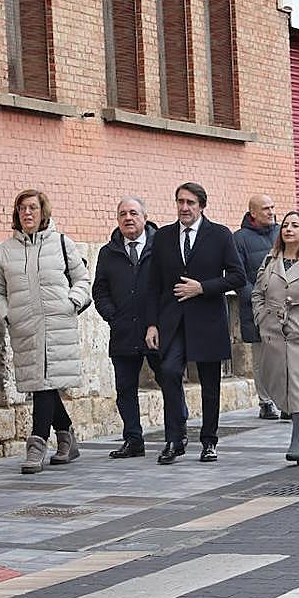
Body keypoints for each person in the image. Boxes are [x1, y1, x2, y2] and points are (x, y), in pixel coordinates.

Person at [0, 189, 91, 473]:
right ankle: (67, 436)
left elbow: (82, 279)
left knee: (44, 385)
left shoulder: (61, 243)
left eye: (32, 208)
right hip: (25, 328)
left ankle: (37, 444)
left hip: (58, 324)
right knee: (42, 384)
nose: (27, 213)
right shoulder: (5, 251)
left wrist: (72, 301)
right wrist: (8, 315)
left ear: (43, 211)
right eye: (22, 209)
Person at [144, 182, 246, 464]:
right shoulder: (163, 237)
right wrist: (152, 324)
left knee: (210, 383)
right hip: (172, 321)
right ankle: (174, 438)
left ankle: (209, 441)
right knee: (168, 372)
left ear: (202, 206)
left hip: (208, 320)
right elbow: (152, 285)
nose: (184, 208)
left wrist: (203, 287)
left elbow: (238, 276)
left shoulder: (220, 235)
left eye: (190, 203)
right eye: (180, 202)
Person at [92, 196, 186, 458]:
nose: (128, 218)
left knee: (169, 380)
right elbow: (99, 291)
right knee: (125, 389)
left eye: (133, 213)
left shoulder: (162, 247)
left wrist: (159, 322)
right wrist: (114, 316)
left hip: (157, 331)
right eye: (122, 214)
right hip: (123, 332)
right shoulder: (108, 252)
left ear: (145, 217)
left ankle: (176, 435)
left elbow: (171, 287)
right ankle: (133, 440)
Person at [251, 211, 299, 465]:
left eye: (295, 225)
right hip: (272, 331)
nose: (289, 229)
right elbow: (258, 292)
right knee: (276, 382)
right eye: (286, 225)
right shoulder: (270, 259)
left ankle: (296, 440)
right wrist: (261, 317)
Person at [234, 194, 282, 420]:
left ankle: (286, 400)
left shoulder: (283, 232)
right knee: (262, 357)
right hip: (256, 308)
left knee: (285, 356)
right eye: (265, 208)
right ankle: (266, 402)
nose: (271, 211)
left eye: (272, 207)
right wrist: (257, 299)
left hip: (285, 306)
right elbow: (237, 274)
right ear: (252, 213)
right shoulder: (239, 239)